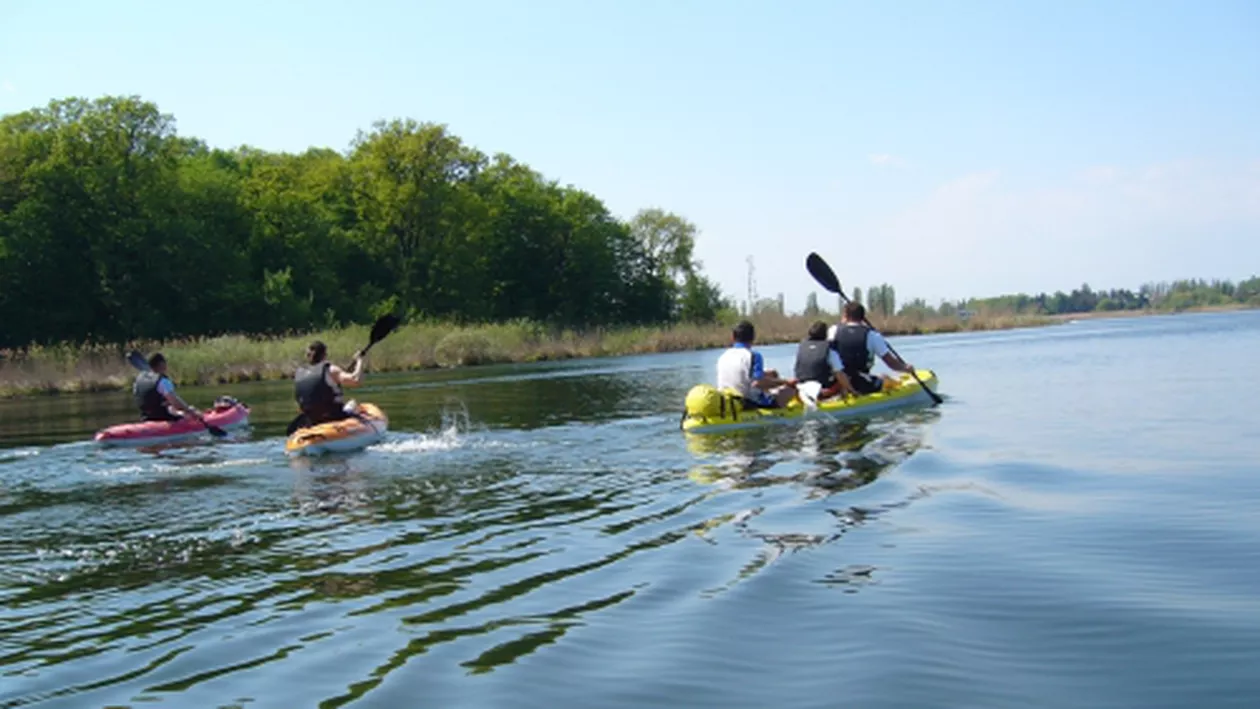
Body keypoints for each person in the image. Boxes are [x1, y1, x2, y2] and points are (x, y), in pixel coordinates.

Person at [828, 301, 916, 395]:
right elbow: (891, 363)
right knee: (885, 378)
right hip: (859, 384)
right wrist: (905, 368)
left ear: (845, 315)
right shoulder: (872, 335)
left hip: (834, 382)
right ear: (862, 317)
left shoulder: (833, 330)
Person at [716, 320, 797, 409]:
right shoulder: (754, 356)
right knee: (791, 390)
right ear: (753, 337)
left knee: (772, 374)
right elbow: (757, 383)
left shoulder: (723, 356)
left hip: (728, 400)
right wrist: (785, 382)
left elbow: (743, 374)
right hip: (748, 403)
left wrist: (770, 375)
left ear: (733, 337)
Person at [294, 340, 366, 426]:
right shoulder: (331, 370)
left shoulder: (300, 373)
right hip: (334, 417)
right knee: (353, 403)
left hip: (312, 420)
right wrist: (359, 360)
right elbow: (356, 380)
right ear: (324, 356)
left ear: (307, 356)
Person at [793, 321, 855, 400]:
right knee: (845, 378)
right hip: (822, 391)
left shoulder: (802, 348)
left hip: (802, 388)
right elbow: (840, 374)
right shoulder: (830, 351)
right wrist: (853, 391)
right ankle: (847, 399)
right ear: (825, 335)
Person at [133, 353, 201, 422]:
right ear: (162, 364)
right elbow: (176, 403)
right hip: (162, 418)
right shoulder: (163, 381)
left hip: (146, 418)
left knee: (174, 410)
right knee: (187, 414)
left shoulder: (139, 379)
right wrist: (189, 410)